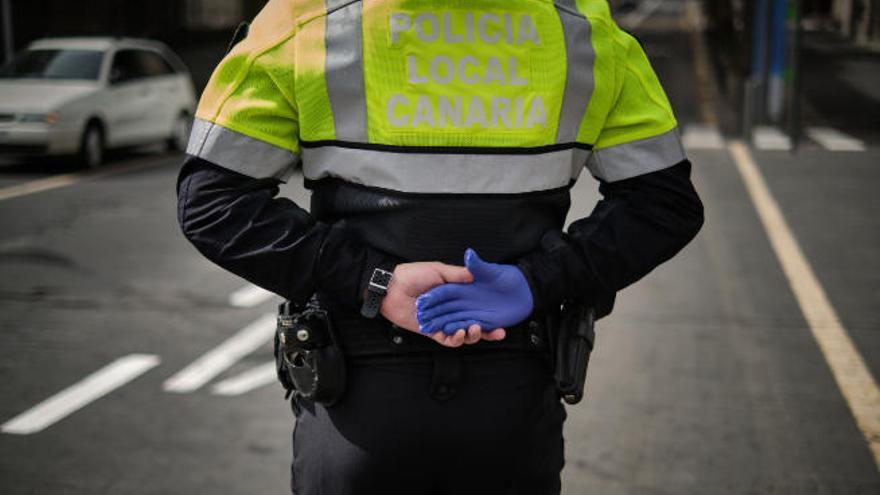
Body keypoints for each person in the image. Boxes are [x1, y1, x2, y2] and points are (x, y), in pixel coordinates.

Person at [177, 0, 704, 493]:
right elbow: (662, 202)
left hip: (355, 407)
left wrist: (373, 282)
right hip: (513, 405)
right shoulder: (579, 26)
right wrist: (536, 280)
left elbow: (213, 201)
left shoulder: (310, 17)